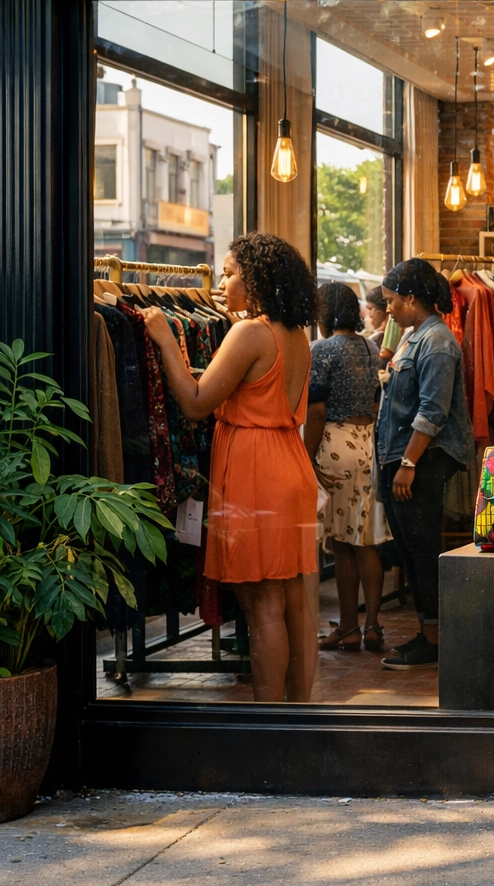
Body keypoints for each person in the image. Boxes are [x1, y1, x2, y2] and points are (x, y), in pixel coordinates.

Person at [141, 232, 319, 703]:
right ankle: (297, 712)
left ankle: (268, 722)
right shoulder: (294, 335)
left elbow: (197, 403)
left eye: (230, 272)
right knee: (293, 601)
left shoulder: (249, 332)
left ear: (256, 280)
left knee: (262, 605)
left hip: (256, 470)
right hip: (289, 463)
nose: (222, 281)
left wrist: (164, 339)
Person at [375, 259, 474, 671]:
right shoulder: (415, 337)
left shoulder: (437, 342)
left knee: (422, 550)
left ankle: (433, 640)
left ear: (412, 298)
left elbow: (433, 410)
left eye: (393, 301)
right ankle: (425, 634)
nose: (390, 309)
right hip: (403, 457)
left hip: (421, 460)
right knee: (412, 551)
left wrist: (409, 462)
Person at [305, 283, 386, 654]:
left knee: (340, 544)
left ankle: (349, 628)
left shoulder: (320, 350)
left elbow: (317, 411)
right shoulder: (370, 347)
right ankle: (372, 626)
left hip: (335, 445)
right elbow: (373, 401)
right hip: (367, 443)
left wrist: (305, 457)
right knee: (365, 540)